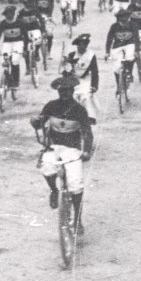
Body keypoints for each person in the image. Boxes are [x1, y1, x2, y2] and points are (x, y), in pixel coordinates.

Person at [30, 73, 93, 234]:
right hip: (53, 147)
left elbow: (87, 132)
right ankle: (53, 190)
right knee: (47, 168)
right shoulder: (51, 106)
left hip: (72, 150)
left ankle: (78, 219)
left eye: (67, 91)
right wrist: (36, 122)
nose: (64, 94)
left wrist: (86, 151)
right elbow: (41, 121)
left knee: (76, 185)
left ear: (72, 91)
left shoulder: (79, 110)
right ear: (58, 92)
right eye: (61, 91)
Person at [105, 8, 140, 95]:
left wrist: (136, 50)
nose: (124, 19)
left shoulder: (133, 25)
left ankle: (129, 73)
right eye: (122, 17)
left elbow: (136, 38)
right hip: (117, 46)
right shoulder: (114, 27)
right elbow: (109, 39)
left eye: (126, 17)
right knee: (117, 68)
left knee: (130, 56)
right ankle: (118, 87)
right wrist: (107, 52)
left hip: (129, 44)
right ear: (118, 18)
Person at [0, 6, 25, 89]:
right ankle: (8, 78)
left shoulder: (19, 23)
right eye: (7, 14)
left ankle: (16, 82)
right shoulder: (3, 23)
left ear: (13, 14)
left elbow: (26, 36)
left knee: (14, 60)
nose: (9, 16)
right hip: (7, 43)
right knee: (4, 61)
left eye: (10, 14)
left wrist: (25, 49)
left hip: (18, 42)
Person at [71, 34, 100, 124]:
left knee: (86, 96)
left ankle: (90, 117)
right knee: (73, 97)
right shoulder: (71, 55)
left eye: (84, 44)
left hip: (86, 80)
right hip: (74, 80)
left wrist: (94, 85)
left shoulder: (90, 55)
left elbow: (95, 71)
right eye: (80, 44)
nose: (81, 46)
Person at [17, 0, 45, 76]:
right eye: (26, 3)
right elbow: (17, 23)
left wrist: (42, 30)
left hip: (35, 29)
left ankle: (36, 52)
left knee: (38, 40)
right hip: (25, 31)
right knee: (26, 50)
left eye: (29, 3)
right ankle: (28, 68)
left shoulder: (35, 11)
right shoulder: (21, 12)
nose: (28, 5)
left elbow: (41, 21)